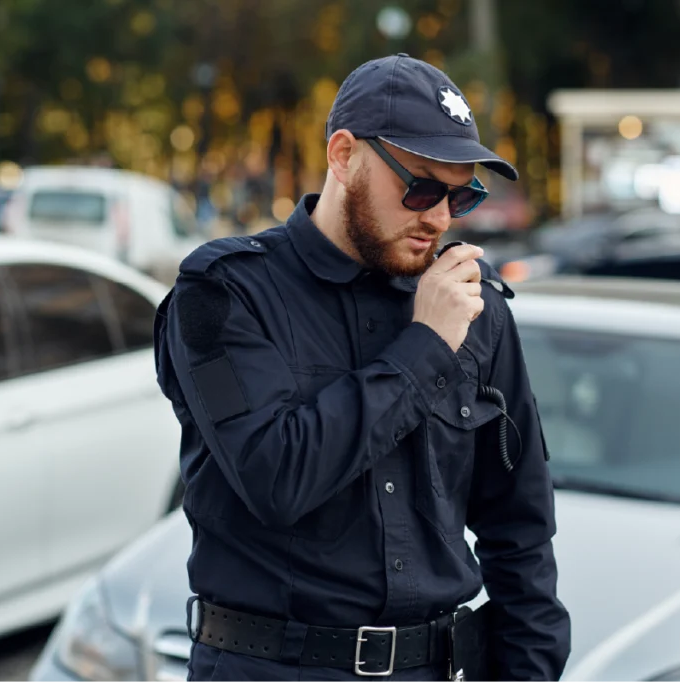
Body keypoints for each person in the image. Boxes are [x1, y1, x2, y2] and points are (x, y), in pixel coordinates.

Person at [154, 53, 570, 682]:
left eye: (462, 194)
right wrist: (426, 344)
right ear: (344, 155)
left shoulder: (472, 304)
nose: (438, 217)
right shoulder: (220, 295)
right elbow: (275, 476)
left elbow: (522, 525)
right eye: (422, 186)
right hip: (270, 667)